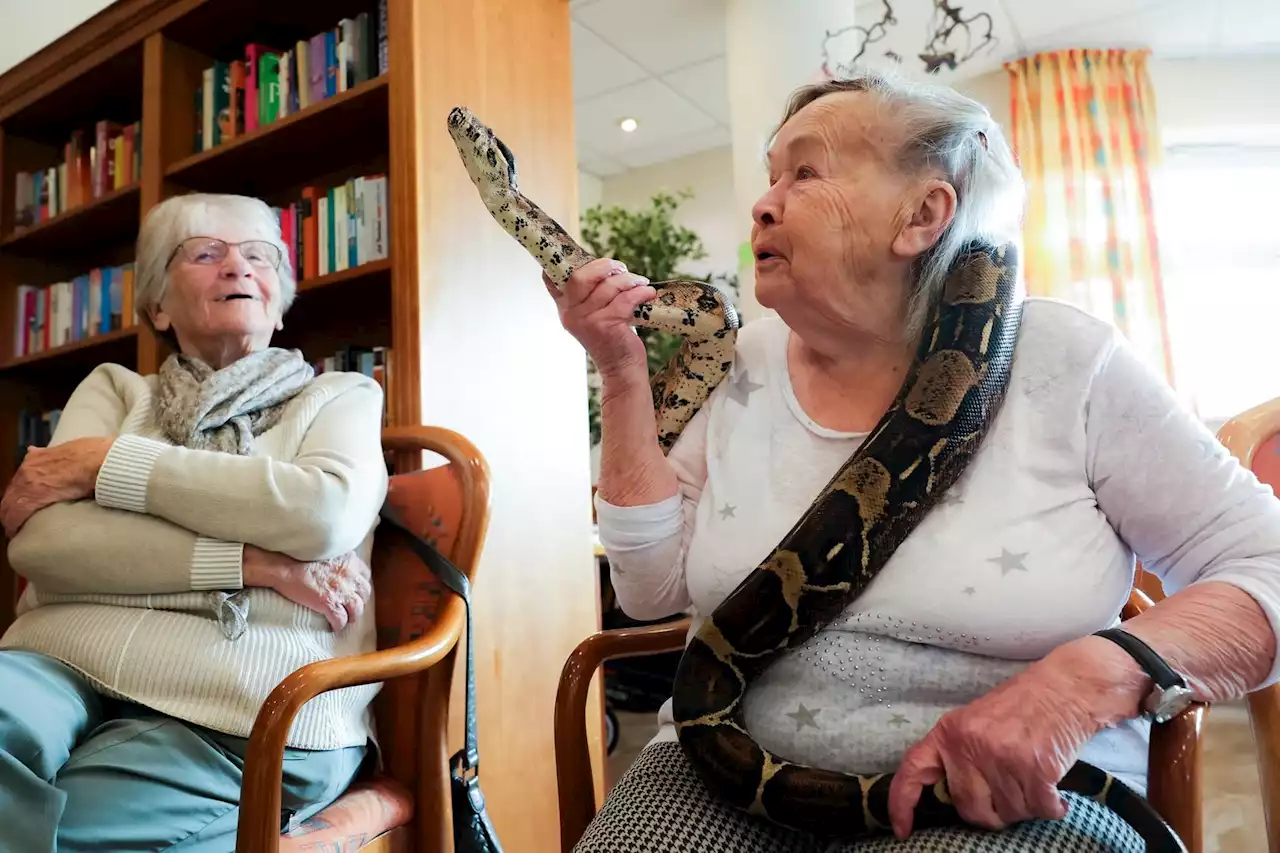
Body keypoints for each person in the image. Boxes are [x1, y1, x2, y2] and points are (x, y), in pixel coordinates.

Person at [565, 70, 1280, 852]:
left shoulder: (1068, 361)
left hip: (997, 789)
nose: (763, 203)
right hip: (719, 766)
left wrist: (1082, 683)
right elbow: (646, 590)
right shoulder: (739, 363)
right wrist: (623, 373)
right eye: (770, 176)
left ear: (924, 214)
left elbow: (1266, 566)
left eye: (805, 172)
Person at [0, 193, 390, 853]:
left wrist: (107, 465)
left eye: (258, 255)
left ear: (278, 292)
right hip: (60, 656)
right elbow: (46, 544)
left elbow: (320, 512)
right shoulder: (115, 390)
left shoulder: (340, 395)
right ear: (156, 304)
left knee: (59, 834)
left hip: (239, 700)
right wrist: (252, 562)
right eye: (206, 253)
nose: (238, 267)